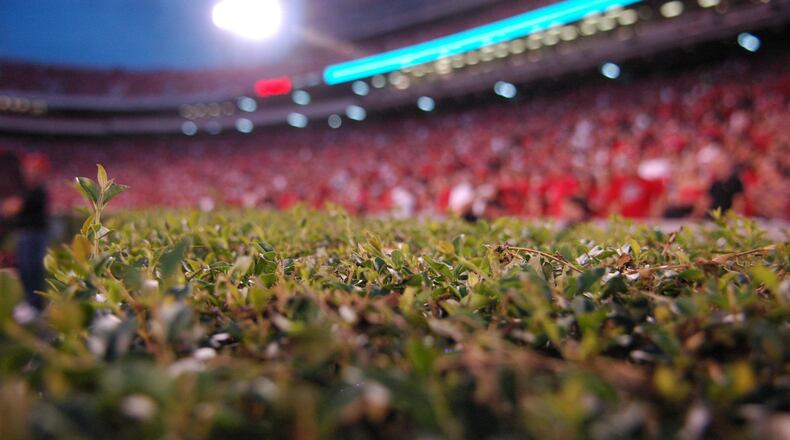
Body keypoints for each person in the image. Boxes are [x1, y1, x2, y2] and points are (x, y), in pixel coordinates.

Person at [3, 153, 50, 310]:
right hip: (27, 234)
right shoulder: (29, 189)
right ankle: (31, 303)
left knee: (32, 269)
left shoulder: (37, 190)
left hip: (33, 235)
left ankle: (35, 304)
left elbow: (14, 207)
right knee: (26, 269)